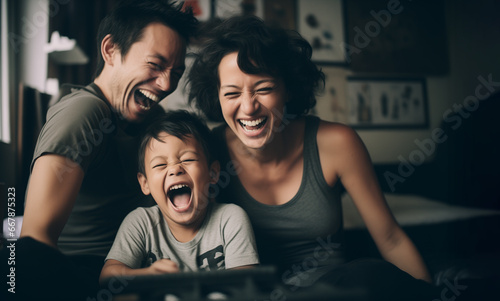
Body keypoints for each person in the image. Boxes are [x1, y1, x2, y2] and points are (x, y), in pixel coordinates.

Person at [188, 16, 438, 300]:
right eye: (231, 93)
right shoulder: (207, 151)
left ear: (288, 89)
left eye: (264, 89)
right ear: (216, 97)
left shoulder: (337, 143)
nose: (248, 107)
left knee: (371, 275)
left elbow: (391, 238)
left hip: (333, 291)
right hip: (255, 293)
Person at [2, 1, 197, 300]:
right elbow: (34, 243)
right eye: (155, 65)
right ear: (110, 50)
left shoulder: (154, 121)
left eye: (176, 72)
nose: (166, 84)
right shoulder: (84, 111)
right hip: (83, 273)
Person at [100, 110, 259, 282]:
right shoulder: (141, 223)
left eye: (188, 159)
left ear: (212, 173)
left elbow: (246, 284)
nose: (175, 169)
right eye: (160, 164)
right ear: (145, 183)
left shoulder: (230, 219)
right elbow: (107, 277)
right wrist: (147, 275)